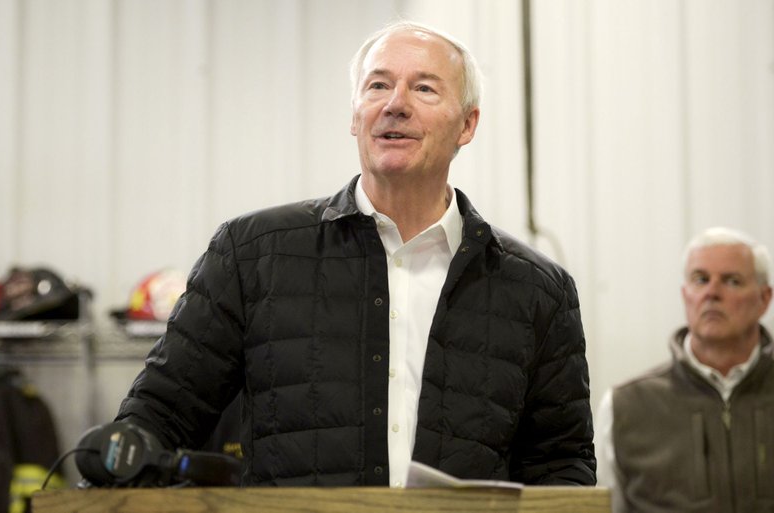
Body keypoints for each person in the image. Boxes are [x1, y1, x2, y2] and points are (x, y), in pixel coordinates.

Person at [114, 20, 595, 487]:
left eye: (424, 89)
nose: (395, 105)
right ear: (354, 114)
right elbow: (159, 418)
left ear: (467, 124)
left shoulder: (537, 290)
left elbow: (561, 466)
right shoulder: (251, 256)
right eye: (378, 86)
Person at [596, 226, 774, 512]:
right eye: (700, 279)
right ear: (685, 294)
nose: (712, 293)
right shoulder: (626, 407)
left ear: (764, 299)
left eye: (732, 281)